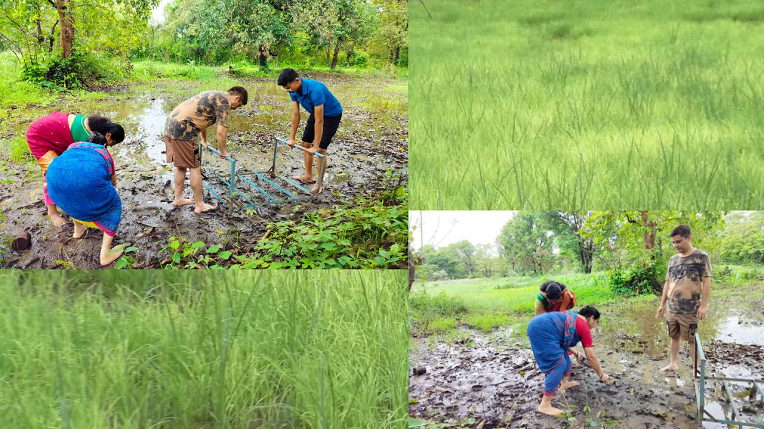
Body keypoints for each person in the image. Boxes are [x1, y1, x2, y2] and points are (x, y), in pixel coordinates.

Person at [26, 113, 125, 226]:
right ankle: (52, 213)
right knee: (54, 172)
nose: (111, 146)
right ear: (108, 136)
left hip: (57, 133)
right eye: (114, 142)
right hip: (40, 135)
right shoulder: (89, 139)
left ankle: (69, 202)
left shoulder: (95, 129)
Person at [163, 86, 248, 214]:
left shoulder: (214, 95)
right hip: (183, 130)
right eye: (239, 105)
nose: (236, 108)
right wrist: (223, 151)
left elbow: (201, 119)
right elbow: (221, 132)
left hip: (170, 126)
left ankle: (178, 198)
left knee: (181, 166)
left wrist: (204, 140)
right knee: (195, 167)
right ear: (237, 98)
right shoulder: (224, 102)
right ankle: (199, 205)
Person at [46, 132, 124, 266]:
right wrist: (113, 190)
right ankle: (105, 254)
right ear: (104, 144)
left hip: (56, 189)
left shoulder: (73, 146)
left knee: (72, 197)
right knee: (115, 204)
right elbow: (112, 180)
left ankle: (78, 230)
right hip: (73, 189)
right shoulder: (104, 153)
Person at [527, 306, 610, 416]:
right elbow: (591, 357)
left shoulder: (575, 318)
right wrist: (601, 375)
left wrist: (576, 353)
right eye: (597, 322)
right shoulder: (584, 327)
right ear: (591, 318)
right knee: (558, 364)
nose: (595, 325)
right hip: (540, 331)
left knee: (563, 355)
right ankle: (544, 405)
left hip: (537, 325)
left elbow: (562, 340)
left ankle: (564, 383)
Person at [277, 68, 343, 195]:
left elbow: (319, 121)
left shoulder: (315, 90)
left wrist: (317, 145)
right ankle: (308, 175)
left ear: (296, 81)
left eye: (289, 88)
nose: (288, 91)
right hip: (315, 112)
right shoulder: (293, 90)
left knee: (320, 150)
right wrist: (292, 137)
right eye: (285, 89)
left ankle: (319, 183)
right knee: (305, 144)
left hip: (331, 115)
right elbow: (296, 115)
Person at [657, 224, 712, 373]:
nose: (676, 245)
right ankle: (673, 364)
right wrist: (662, 304)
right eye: (673, 242)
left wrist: (703, 306)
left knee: (692, 339)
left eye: (679, 241)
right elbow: (668, 283)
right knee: (673, 336)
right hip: (672, 308)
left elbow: (706, 282)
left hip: (690, 309)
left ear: (689, 238)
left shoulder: (701, 257)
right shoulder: (673, 260)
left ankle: (696, 369)